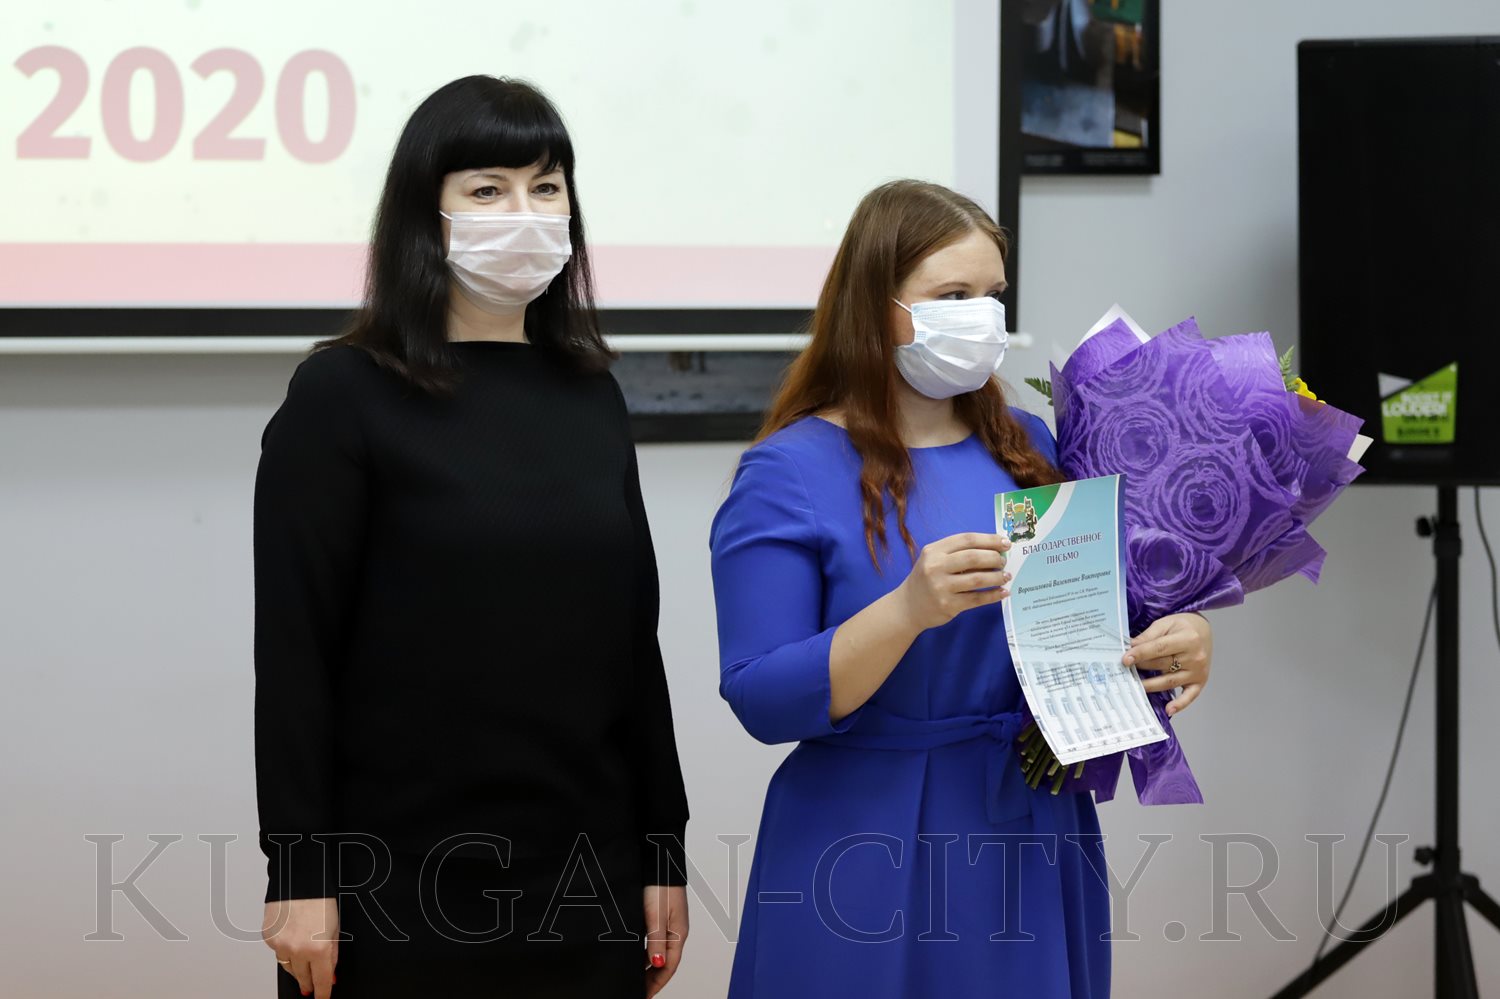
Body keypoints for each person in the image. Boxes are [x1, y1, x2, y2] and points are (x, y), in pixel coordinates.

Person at [709, 179, 1213, 997]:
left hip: (1032, 830)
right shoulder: (787, 471)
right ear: (875, 306)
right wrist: (906, 612)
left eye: (992, 295)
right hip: (860, 840)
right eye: (953, 296)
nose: (982, 317)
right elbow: (761, 697)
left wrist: (1173, 638)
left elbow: (1081, 635)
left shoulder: (1033, 444)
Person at [254, 76, 689, 999]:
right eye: (488, 189)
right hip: (392, 877)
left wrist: (664, 848)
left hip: (583, 872)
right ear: (426, 212)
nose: (524, 212)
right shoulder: (342, 395)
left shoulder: (591, 396)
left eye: (546, 186)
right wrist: (298, 868)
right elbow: (295, 653)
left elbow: (632, 647)